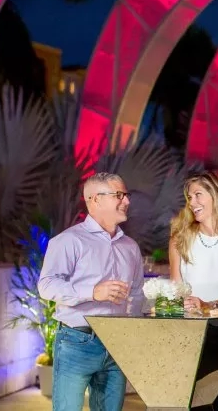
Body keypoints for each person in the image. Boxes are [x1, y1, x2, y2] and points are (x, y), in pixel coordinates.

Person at [38, 172, 145, 411]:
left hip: (117, 342)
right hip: (77, 341)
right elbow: (46, 285)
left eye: (126, 195)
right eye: (119, 195)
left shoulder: (130, 247)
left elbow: (137, 294)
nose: (126, 201)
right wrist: (92, 292)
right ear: (94, 199)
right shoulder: (68, 241)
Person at [168, 171, 218, 410]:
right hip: (186, 335)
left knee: (216, 404)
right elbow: (176, 290)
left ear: (215, 195)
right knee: (187, 404)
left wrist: (207, 306)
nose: (192, 202)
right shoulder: (178, 239)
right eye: (189, 197)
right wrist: (181, 304)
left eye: (198, 195)